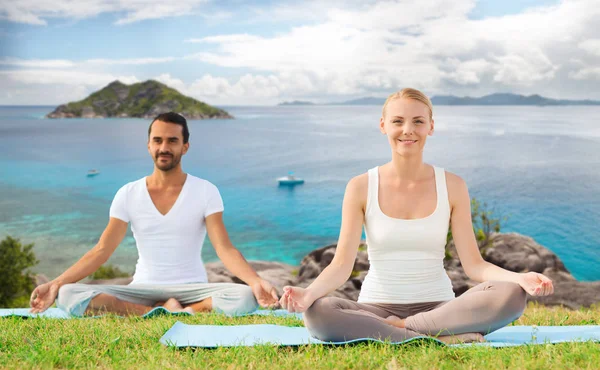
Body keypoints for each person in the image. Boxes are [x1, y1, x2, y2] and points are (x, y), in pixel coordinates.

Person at [280, 88, 554, 343]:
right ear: (383, 125)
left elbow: (474, 266)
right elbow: (340, 266)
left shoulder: (453, 186)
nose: (408, 130)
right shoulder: (360, 186)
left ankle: (403, 332)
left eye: (418, 122)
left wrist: (519, 278)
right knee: (319, 313)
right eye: (397, 121)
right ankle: (438, 336)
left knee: (512, 295)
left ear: (431, 127)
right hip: (376, 307)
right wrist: (309, 294)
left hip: (440, 306)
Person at [30, 112, 278, 317]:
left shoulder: (205, 191)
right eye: (157, 140)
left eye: (172, 141)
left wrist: (255, 281)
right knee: (68, 294)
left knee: (245, 295)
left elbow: (224, 249)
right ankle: (155, 311)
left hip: (193, 288)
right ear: (149, 145)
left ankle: (186, 309)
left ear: (185, 146)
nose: (164, 148)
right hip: (142, 287)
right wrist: (55, 283)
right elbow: (102, 250)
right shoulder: (128, 193)